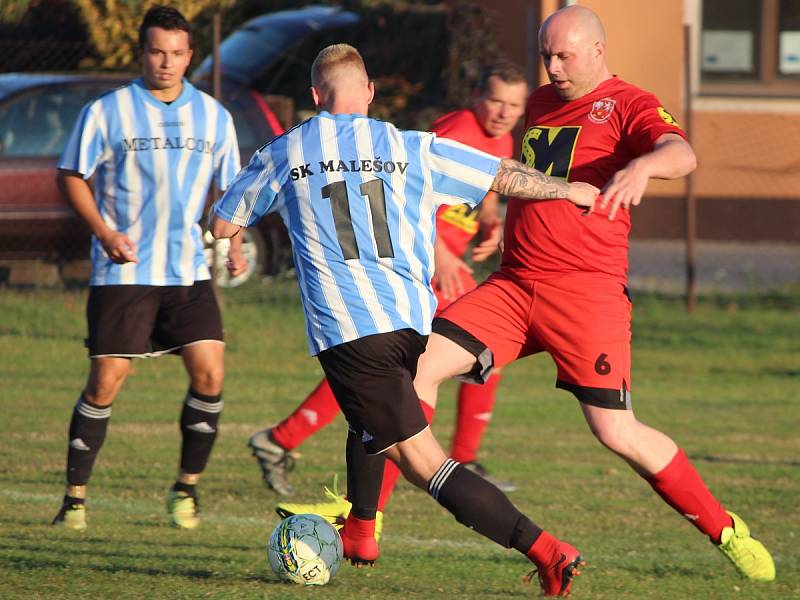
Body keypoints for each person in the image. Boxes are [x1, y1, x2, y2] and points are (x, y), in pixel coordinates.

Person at [211, 43, 598, 596]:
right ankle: (362, 532)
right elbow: (504, 176)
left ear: (316, 97)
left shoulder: (286, 150)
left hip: (350, 334)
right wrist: (568, 189)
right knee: (363, 422)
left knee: (426, 466)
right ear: (369, 92)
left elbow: (226, 217)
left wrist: (234, 248)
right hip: (413, 326)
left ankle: (547, 552)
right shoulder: (410, 146)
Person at [405, 4, 774, 584]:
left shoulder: (628, 103)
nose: (552, 67)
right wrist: (498, 219)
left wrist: (645, 168)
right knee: (411, 371)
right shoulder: (541, 103)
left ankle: (724, 528)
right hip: (514, 285)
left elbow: (684, 154)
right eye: (545, 55)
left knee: (615, 431)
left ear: (598, 50)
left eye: (563, 56)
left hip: (584, 294)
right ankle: (362, 519)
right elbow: (522, 172)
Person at [246, 62, 528, 504]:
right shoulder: (458, 127)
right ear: (476, 97)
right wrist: (443, 254)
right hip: (420, 269)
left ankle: (289, 441)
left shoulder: (502, 138)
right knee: (393, 367)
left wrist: (490, 222)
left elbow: (483, 194)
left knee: (402, 367)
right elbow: (410, 189)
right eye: (495, 101)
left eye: (513, 105)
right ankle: (295, 445)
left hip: (444, 272)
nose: (503, 113)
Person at [51, 5, 245, 532]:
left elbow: (229, 190)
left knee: (211, 373)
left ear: (190, 57)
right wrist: (105, 232)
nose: (167, 62)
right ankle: (74, 500)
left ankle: (186, 490)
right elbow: (71, 174)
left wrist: (236, 239)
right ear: (142, 53)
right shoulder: (108, 111)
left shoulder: (213, 116)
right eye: (157, 51)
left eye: (177, 53)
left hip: (187, 271)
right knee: (105, 383)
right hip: (126, 271)